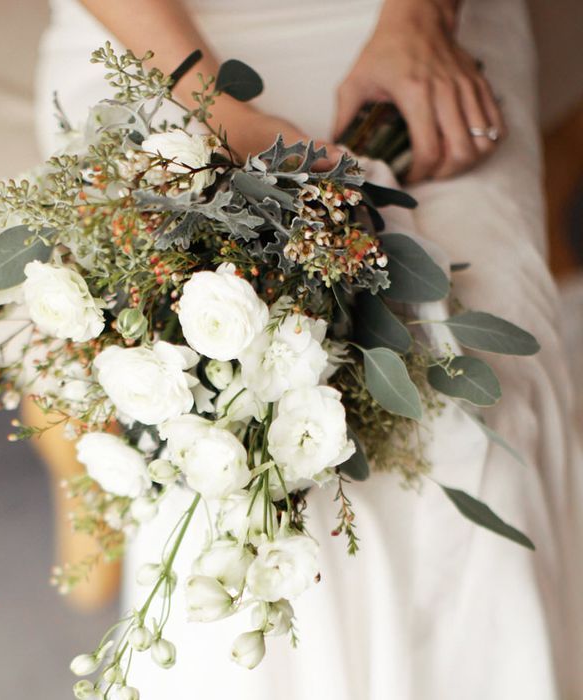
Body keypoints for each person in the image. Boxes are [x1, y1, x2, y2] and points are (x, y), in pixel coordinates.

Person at [31, 1, 583, 698]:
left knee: (475, 405)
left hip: (399, 25)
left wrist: (418, 21)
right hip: (148, 37)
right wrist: (217, 110)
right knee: (217, 445)